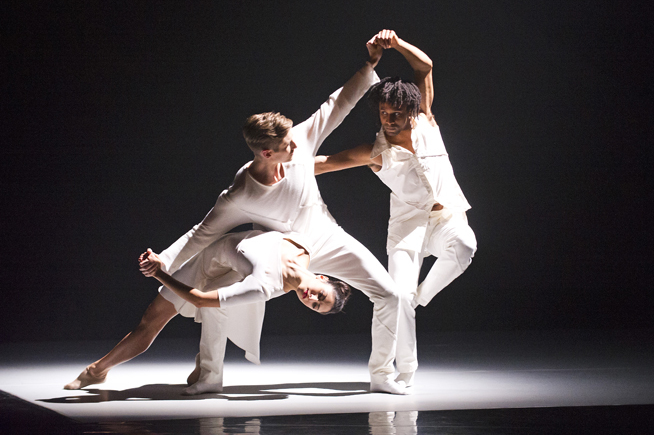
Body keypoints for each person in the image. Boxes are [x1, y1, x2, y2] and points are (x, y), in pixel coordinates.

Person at [68, 37, 407, 395]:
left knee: (390, 294)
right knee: (215, 292)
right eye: (287, 146)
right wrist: (163, 260)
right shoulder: (239, 196)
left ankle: (382, 374)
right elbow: (200, 233)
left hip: (325, 239)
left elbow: (335, 105)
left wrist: (368, 66)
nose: (297, 146)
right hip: (275, 255)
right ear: (266, 152)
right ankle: (208, 374)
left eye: (293, 139)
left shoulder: (298, 141)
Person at [315, 30, 477, 387]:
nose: (389, 119)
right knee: (394, 297)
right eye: (384, 112)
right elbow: (325, 163)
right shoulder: (376, 153)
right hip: (407, 227)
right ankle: (396, 372)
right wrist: (280, 163)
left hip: (446, 216)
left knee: (464, 247)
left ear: (411, 111)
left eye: (397, 113)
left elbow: (425, 66)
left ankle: (421, 297)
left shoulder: (427, 124)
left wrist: (397, 43)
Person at [65, 230, 351, 394]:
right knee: (149, 321)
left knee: (211, 311)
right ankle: (98, 372)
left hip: (220, 274)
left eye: (314, 305)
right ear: (322, 278)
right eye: (320, 295)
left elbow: (200, 300)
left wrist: (159, 273)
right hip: (208, 256)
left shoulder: (266, 286)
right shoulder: (303, 247)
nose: (310, 297)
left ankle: (208, 372)